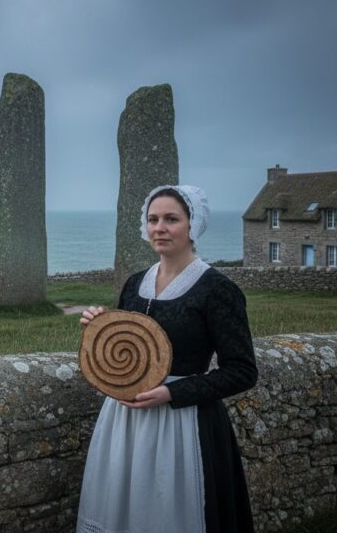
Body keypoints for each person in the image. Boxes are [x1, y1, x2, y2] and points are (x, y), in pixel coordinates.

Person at [77, 185, 258, 533]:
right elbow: (128, 348)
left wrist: (173, 393)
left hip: (184, 423)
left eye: (171, 219)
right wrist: (101, 325)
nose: (159, 228)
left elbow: (243, 371)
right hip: (124, 421)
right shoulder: (134, 284)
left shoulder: (217, 289)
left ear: (193, 226)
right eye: (153, 219)